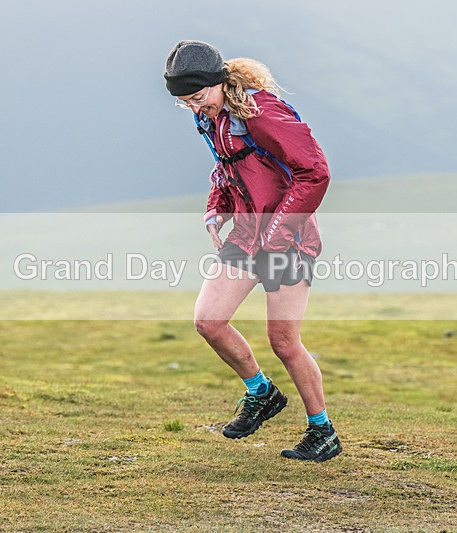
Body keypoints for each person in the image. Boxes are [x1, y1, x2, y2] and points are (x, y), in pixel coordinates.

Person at [164, 40, 341, 462]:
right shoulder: (210, 118)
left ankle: (322, 431)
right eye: (186, 102)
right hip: (247, 234)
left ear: (218, 82)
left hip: (289, 239)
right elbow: (227, 168)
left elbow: (315, 172)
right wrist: (215, 209)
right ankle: (261, 393)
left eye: (199, 97)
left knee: (284, 342)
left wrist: (278, 231)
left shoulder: (261, 113)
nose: (195, 108)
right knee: (209, 321)